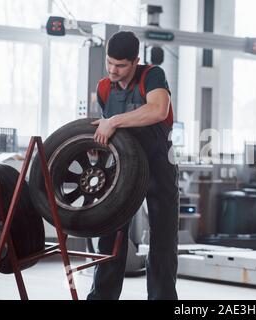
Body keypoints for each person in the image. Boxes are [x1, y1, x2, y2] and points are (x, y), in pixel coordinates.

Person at [87, 31, 179, 300]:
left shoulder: (152, 76)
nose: (113, 70)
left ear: (135, 61)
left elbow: (158, 110)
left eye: (121, 65)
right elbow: (107, 131)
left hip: (158, 165)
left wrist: (113, 120)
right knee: (111, 237)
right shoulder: (104, 87)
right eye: (110, 63)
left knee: (162, 239)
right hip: (122, 168)